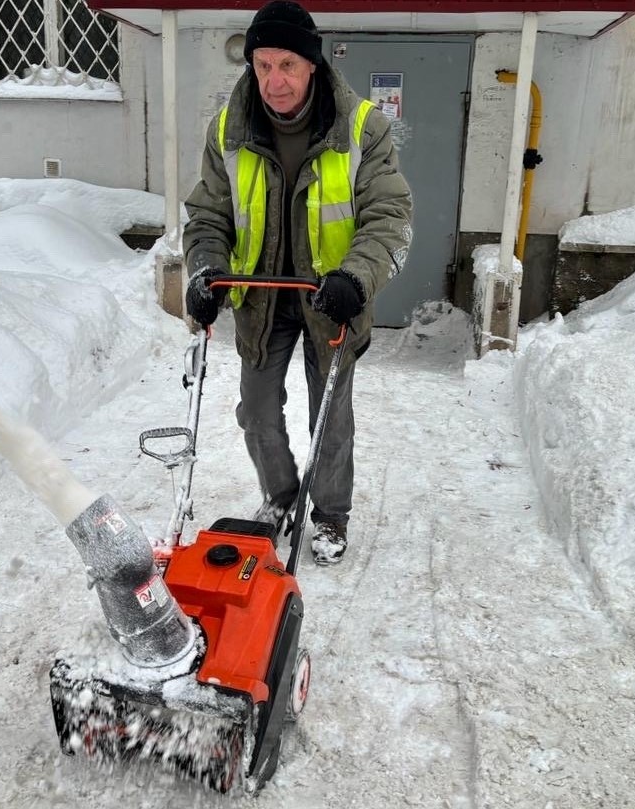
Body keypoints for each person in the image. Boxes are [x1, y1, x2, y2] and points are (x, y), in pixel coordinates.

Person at [182, 0, 412, 566]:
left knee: (329, 418)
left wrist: (355, 279)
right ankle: (281, 499)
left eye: (287, 65)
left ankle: (330, 512)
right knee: (256, 411)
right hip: (260, 298)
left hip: (330, 300)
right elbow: (207, 215)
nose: (274, 81)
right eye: (262, 65)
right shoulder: (227, 132)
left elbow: (389, 216)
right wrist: (206, 268)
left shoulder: (362, 128)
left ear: (312, 65)